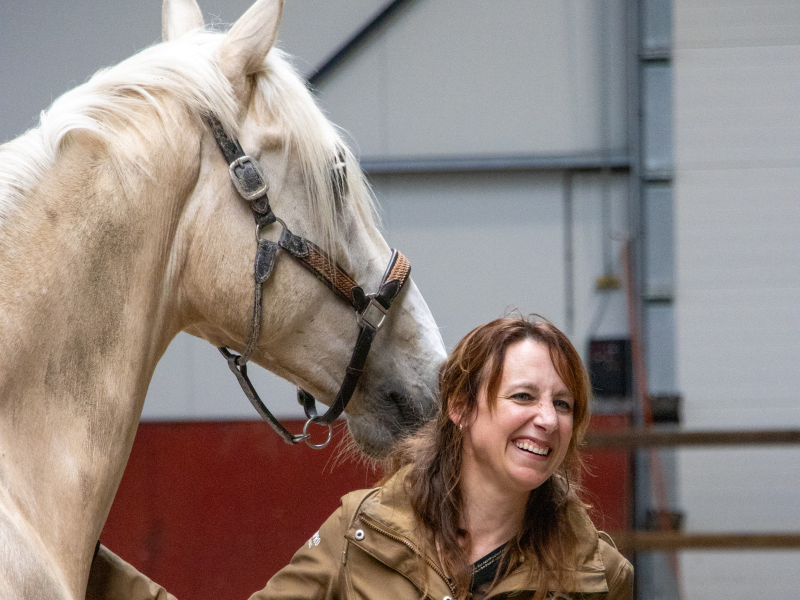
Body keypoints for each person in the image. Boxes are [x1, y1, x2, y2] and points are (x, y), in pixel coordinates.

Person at [89, 315, 633, 600]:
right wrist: (85, 567)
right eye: (524, 396)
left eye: (563, 404)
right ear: (461, 407)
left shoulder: (597, 577)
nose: (547, 419)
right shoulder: (361, 534)